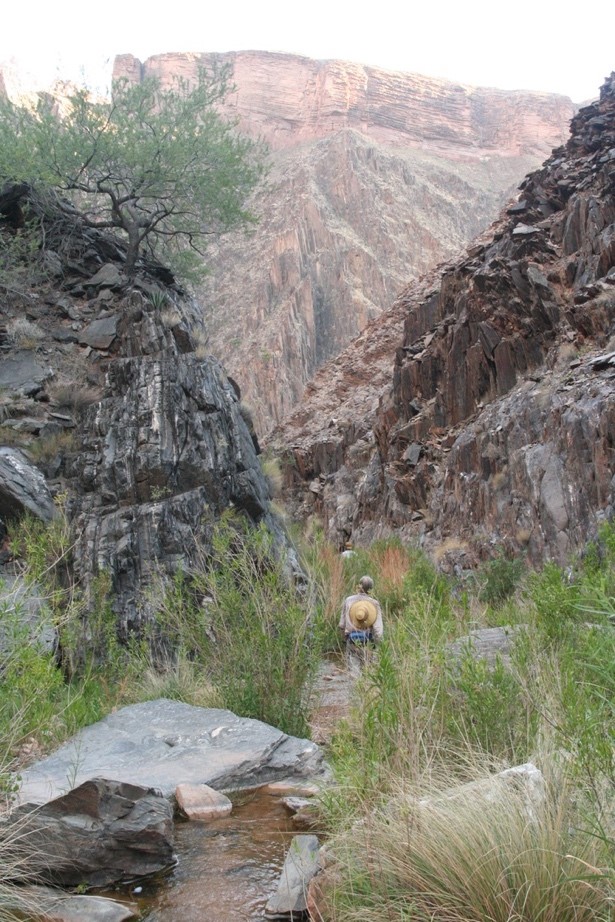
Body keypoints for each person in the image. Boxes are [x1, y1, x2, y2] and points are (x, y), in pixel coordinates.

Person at [339, 575, 383, 671]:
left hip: (352, 640)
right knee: (368, 670)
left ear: (359, 586)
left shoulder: (348, 600)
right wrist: (377, 644)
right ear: (371, 589)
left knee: (353, 671)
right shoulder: (374, 603)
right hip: (368, 642)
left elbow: (341, 625)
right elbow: (378, 630)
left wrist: (344, 639)